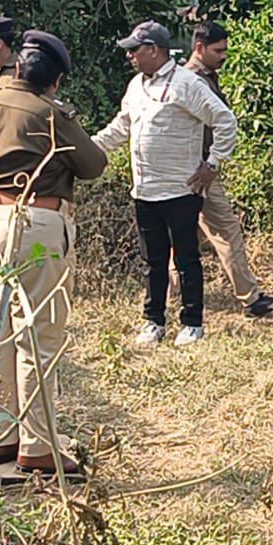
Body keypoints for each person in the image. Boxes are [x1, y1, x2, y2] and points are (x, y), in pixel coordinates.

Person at [0, 29, 106, 475]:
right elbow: (94, 165)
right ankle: (36, 446)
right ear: (54, 80)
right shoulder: (49, 113)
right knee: (37, 337)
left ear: (16, 67)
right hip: (31, 224)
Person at [93, 21, 237, 347]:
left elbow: (225, 120)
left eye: (135, 49)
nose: (129, 55)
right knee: (153, 260)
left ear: (154, 49)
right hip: (145, 190)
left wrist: (212, 164)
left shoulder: (186, 83)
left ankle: (192, 322)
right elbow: (120, 127)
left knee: (186, 257)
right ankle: (153, 321)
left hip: (181, 189)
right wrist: (88, 147)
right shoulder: (135, 86)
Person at [185, 21, 273, 319]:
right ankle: (251, 299)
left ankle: (171, 294)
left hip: (196, 170)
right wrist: (209, 165)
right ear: (199, 48)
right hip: (200, 172)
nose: (224, 56)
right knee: (227, 230)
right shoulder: (192, 80)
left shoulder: (202, 77)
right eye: (218, 50)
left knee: (186, 237)